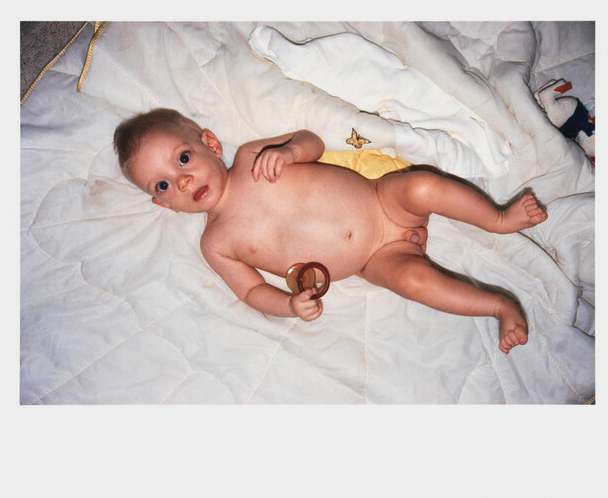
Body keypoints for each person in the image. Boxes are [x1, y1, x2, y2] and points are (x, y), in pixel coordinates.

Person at [114, 108, 548, 354]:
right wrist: (287, 304)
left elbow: (313, 140)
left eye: (183, 159)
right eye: (164, 184)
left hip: (382, 198)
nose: (182, 181)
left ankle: (498, 219)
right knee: (415, 282)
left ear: (211, 144)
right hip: (374, 260)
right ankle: (496, 306)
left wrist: (289, 150)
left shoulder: (251, 157)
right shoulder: (217, 243)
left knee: (422, 185)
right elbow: (249, 293)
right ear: (163, 204)